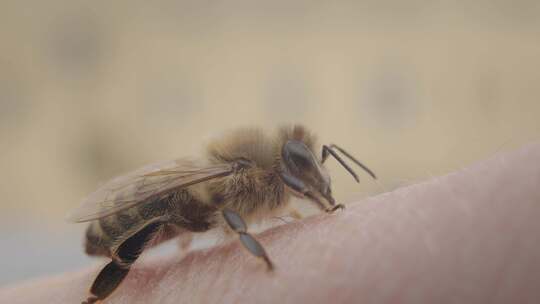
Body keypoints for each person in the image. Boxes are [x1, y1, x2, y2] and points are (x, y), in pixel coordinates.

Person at [1, 143, 539, 304]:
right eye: (306, 177)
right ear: (282, 171)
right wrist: (258, 256)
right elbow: (227, 214)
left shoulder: (267, 185)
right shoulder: (244, 178)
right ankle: (99, 296)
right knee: (165, 213)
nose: (313, 182)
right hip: (133, 221)